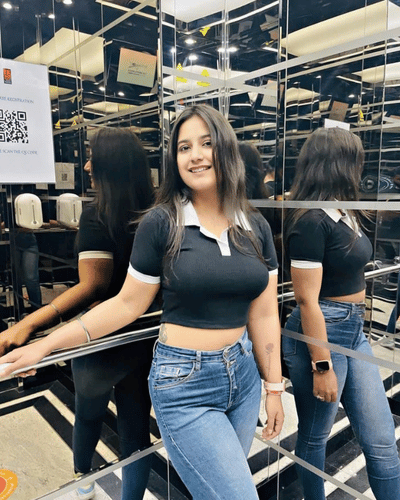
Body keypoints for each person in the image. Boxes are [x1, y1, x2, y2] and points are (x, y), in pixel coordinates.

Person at [0, 104, 284, 500]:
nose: (195, 155)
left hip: (244, 375)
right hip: (184, 384)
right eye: (184, 147)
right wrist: (44, 344)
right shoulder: (162, 222)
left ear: (226, 149)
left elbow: (265, 312)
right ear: (174, 160)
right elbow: (125, 304)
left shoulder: (255, 226)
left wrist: (274, 386)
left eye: (206, 143)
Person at [0, 128, 156, 500]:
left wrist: (29, 323)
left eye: (92, 158)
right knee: (136, 432)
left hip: (98, 336)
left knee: (88, 414)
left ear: (111, 166)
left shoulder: (97, 215)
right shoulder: (158, 214)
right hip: (143, 338)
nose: (86, 166)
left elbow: (93, 286)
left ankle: (82, 480)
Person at [282, 127, 400, 500]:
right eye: (356, 160)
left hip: (353, 332)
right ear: (339, 164)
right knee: (315, 437)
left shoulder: (343, 211)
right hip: (322, 335)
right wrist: (322, 366)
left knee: (381, 439)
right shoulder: (310, 221)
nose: (360, 168)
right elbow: (306, 300)